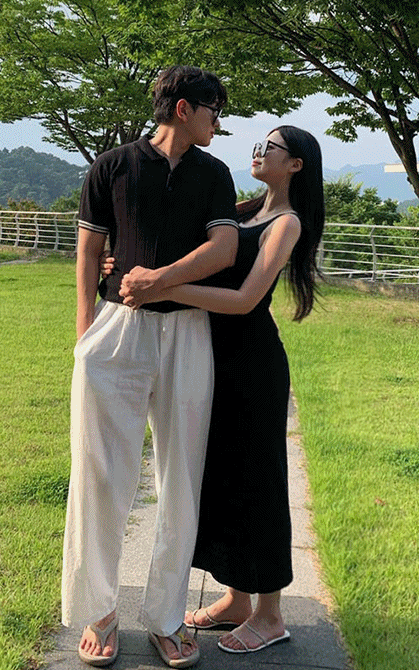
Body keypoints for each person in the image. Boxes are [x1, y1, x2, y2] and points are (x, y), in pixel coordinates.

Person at [118, 125, 325, 655]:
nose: (258, 151)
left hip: (252, 365)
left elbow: (246, 300)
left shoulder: (286, 223)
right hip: (209, 354)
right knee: (221, 477)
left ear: (295, 164)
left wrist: (163, 286)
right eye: (258, 144)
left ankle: (271, 614)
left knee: (258, 482)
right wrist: (118, 262)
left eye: (270, 147)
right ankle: (236, 599)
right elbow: (185, 243)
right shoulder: (241, 210)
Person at [62, 64, 239, 669]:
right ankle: (99, 610)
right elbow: (88, 252)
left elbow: (224, 248)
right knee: (99, 470)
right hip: (116, 331)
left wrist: (158, 279)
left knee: (181, 475)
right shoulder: (111, 167)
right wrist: (85, 336)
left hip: (188, 330)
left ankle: (166, 616)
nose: (219, 122)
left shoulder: (214, 173)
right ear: (184, 108)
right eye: (214, 110)